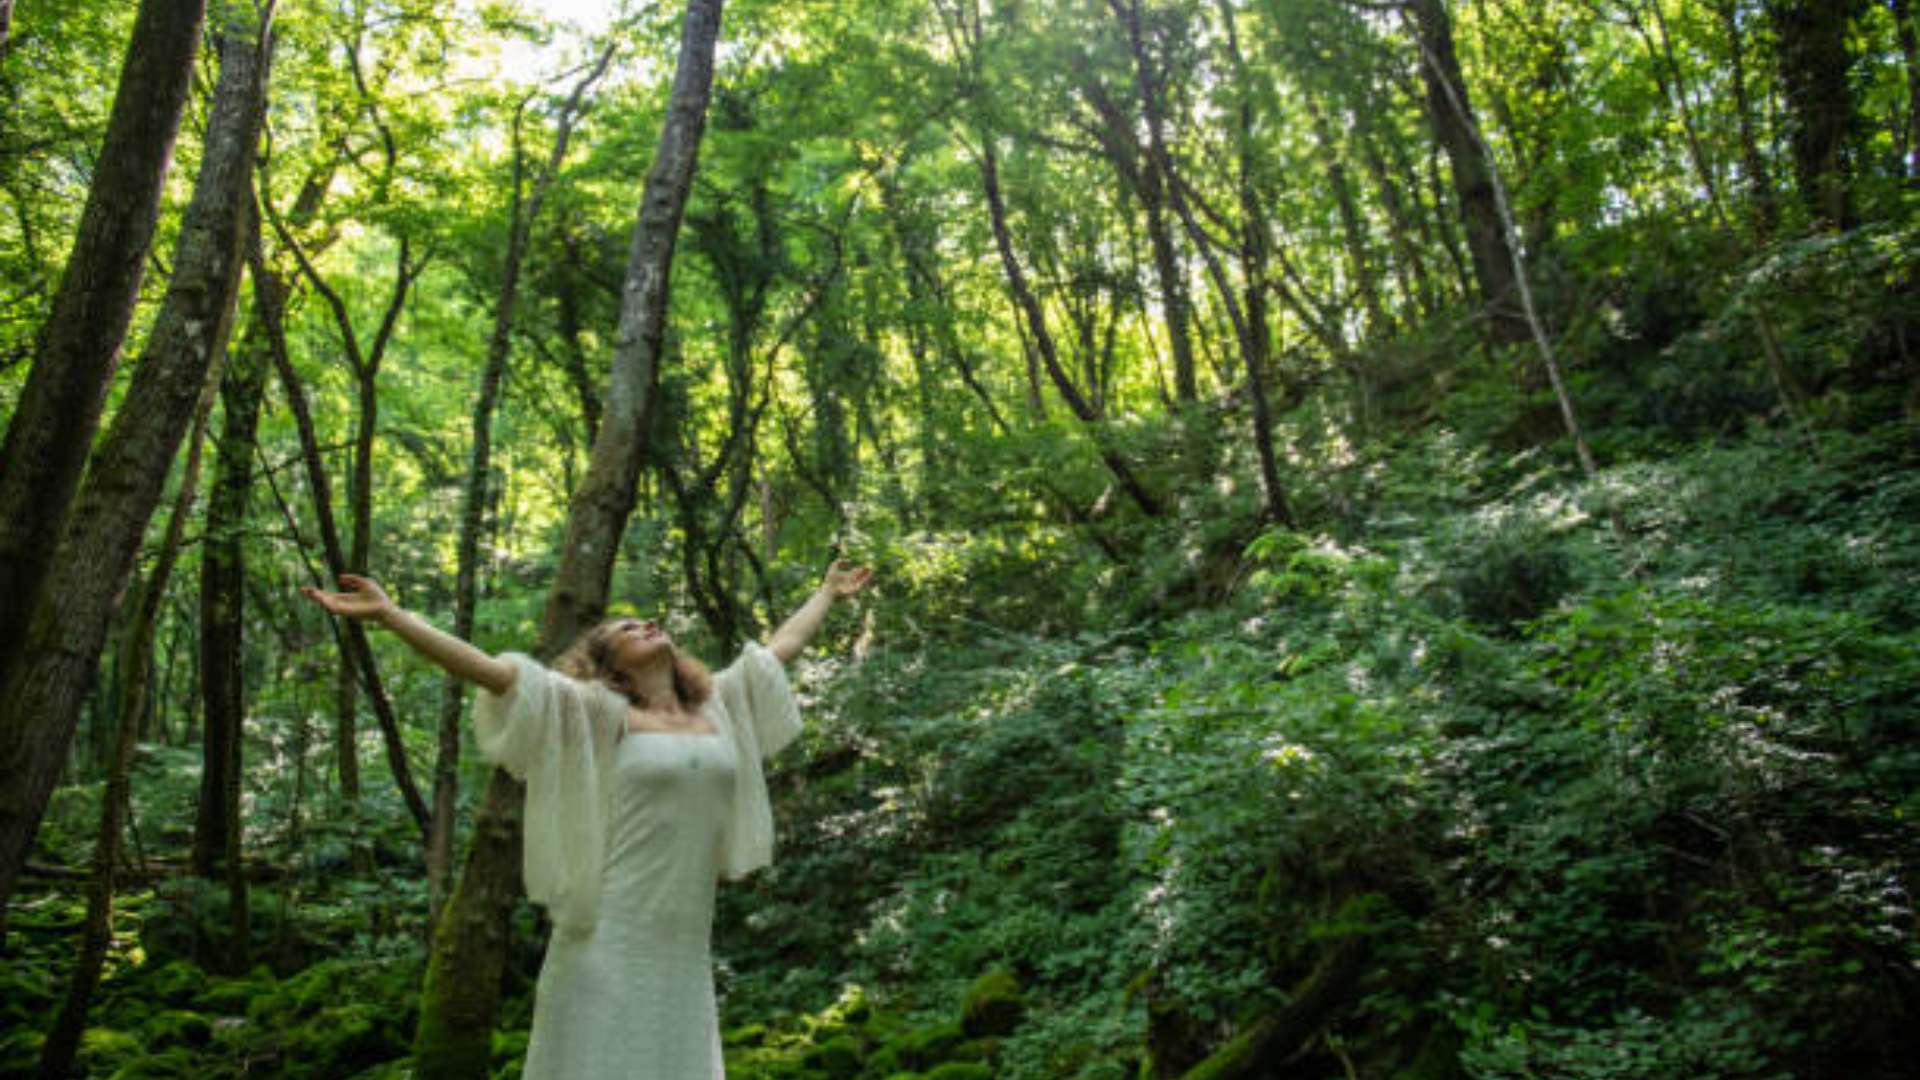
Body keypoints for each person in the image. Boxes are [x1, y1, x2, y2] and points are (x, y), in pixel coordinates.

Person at [298, 562, 874, 1079]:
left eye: (647, 621)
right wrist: (392, 615)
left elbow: (779, 649)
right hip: (608, 934)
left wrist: (826, 592)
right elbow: (495, 674)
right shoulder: (596, 713)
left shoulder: (719, 704)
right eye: (627, 629)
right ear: (608, 665)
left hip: (683, 939)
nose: (645, 625)